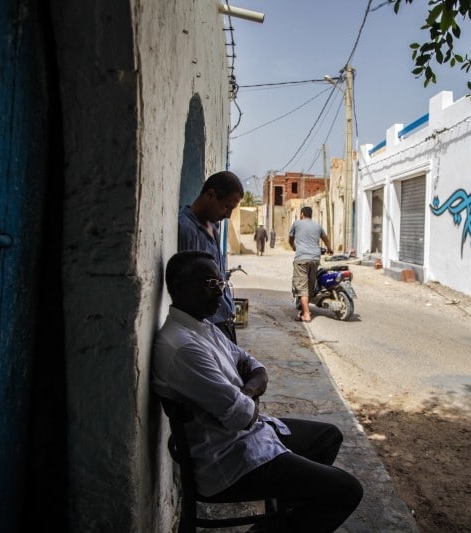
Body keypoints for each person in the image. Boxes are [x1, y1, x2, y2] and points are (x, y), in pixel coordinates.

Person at [152, 250, 363, 532]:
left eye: (222, 284)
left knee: (328, 437)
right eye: (212, 285)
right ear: (180, 288)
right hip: (229, 461)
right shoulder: (183, 347)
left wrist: (247, 392)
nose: (220, 293)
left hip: (252, 437)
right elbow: (242, 417)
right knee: (347, 490)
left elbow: (254, 366)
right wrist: (250, 399)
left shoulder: (203, 327)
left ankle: (285, 519)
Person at [178, 171, 243, 344]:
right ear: (210, 195)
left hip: (224, 320)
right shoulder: (186, 229)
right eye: (227, 207)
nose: (228, 215)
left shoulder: (213, 226)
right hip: (207, 329)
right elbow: (187, 290)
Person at [288, 206, 332, 323]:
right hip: (315, 259)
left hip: (302, 258)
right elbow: (326, 239)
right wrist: (330, 248)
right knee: (310, 284)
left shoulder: (296, 224)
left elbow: (290, 238)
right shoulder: (317, 225)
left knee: (302, 287)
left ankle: (306, 314)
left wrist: (293, 246)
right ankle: (306, 308)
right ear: (311, 215)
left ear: (302, 214)